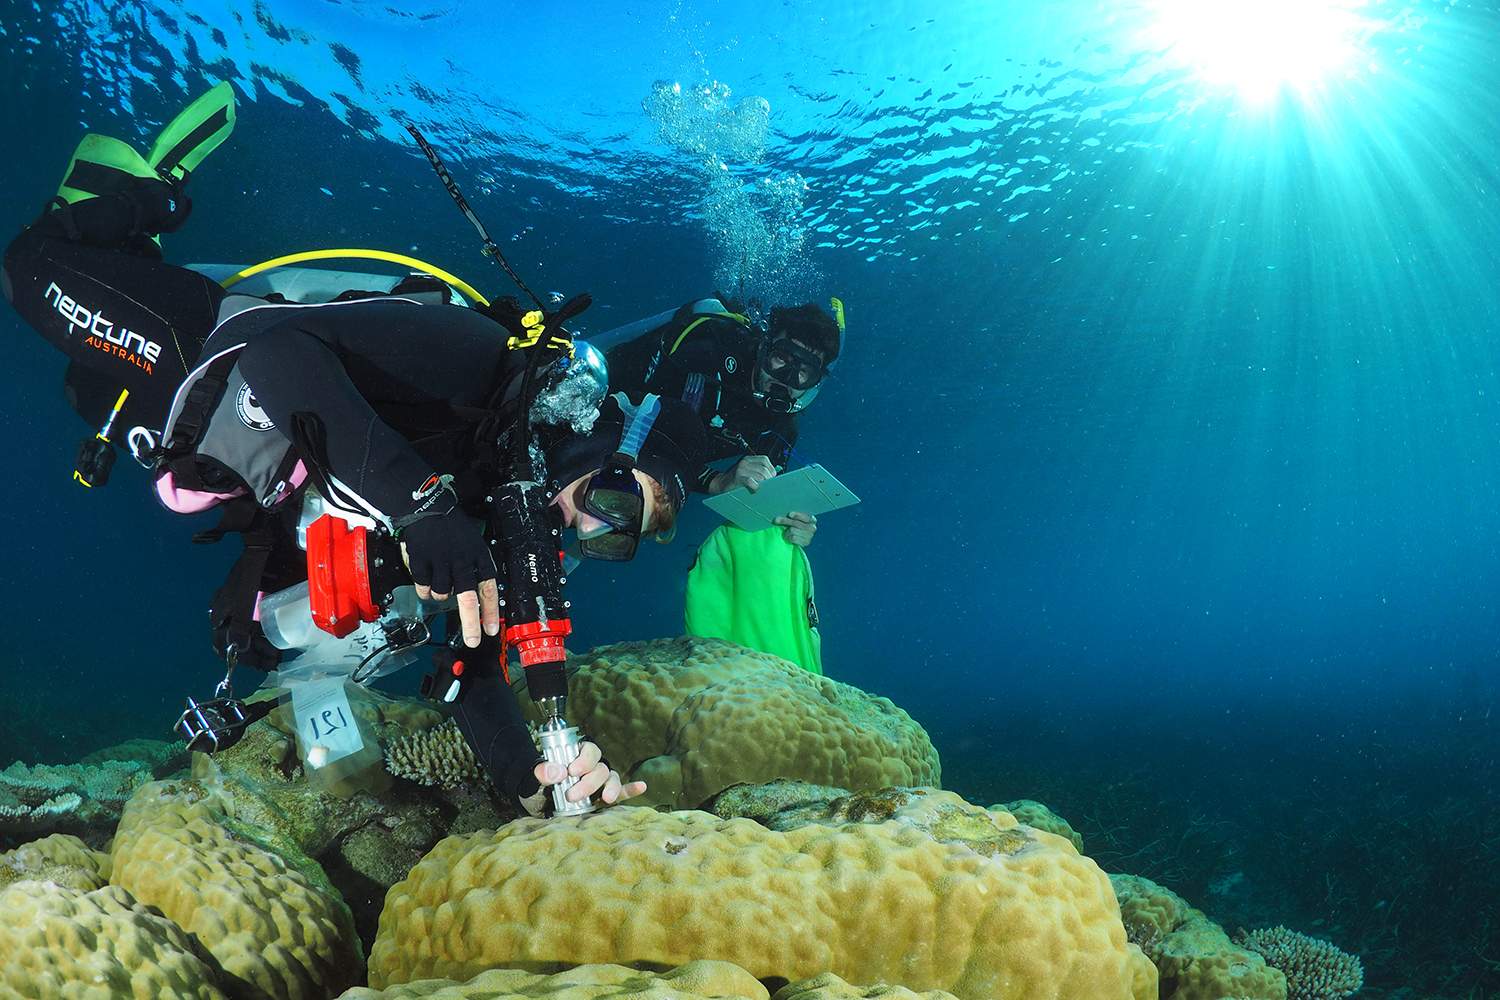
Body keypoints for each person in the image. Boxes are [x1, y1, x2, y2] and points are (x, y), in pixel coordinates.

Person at [2, 84, 708, 816]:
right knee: (29, 267)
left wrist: (536, 785)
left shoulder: (514, 525)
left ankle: (134, 256)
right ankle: (157, 199)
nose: (589, 528)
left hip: (208, 447)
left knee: (85, 389)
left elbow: (473, 672)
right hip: (203, 347)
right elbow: (275, 355)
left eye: (616, 538)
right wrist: (424, 507)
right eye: (616, 499)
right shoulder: (480, 358)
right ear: (600, 434)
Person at [604, 294, 843, 547]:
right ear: (764, 349)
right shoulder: (704, 354)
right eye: (782, 358)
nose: (786, 378)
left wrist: (790, 526)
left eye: (803, 372)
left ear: (814, 384)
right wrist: (718, 482)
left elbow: (761, 505)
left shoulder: (782, 426)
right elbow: (632, 432)